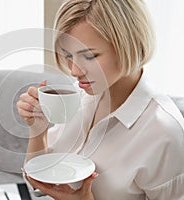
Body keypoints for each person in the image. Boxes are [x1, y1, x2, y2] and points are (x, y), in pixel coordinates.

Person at [16, 0, 184, 199]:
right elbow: (39, 183)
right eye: (68, 55)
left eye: (89, 56)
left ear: (129, 44)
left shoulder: (165, 134)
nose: (74, 71)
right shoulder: (82, 96)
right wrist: (38, 131)